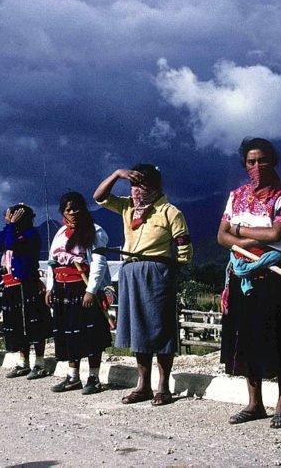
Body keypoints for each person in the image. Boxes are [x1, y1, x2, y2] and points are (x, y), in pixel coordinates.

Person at [216, 138, 281, 427]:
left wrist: (238, 230)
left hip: (275, 276)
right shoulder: (236, 195)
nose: (256, 167)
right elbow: (221, 236)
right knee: (246, 339)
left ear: (273, 161)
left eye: (262, 160)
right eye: (250, 161)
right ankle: (255, 403)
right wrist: (247, 236)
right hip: (243, 275)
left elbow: (276, 234)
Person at [94, 164, 193, 406]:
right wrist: (118, 174)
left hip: (157, 270)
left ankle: (163, 387)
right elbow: (99, 197)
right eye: (133, 184)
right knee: (138, 329)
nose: (137, 190)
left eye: (143, 184)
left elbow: (184, 248)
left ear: (156, 185)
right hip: (130, 271)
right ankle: (143, 385)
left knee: (160, 329)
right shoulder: (128, 207)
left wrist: (170, 269)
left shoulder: (170, 212)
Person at [44, 191, 112, 394]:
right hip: (62, 290)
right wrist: (49, 287)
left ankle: (93, 378)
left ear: (83, 208)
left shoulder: (95, 231)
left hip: (83, 290)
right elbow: (52, 263)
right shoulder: (59, 234)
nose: (72, 212)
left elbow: (99, 264)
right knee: (69, 334)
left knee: (90, 334)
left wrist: (91, 291)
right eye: (67, 209)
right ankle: (72, 377)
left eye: (76, 208)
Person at [0, 203, 53, 380]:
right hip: (10, 286)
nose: (7, 218)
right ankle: (23, 362)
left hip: (26, 285)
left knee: (33, 324)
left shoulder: (30, 235)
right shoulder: (10, 232)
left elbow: (11, 244)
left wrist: (11, 225)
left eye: (11, 216)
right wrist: (8, 226)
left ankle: (40, 363)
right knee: (18, 325)